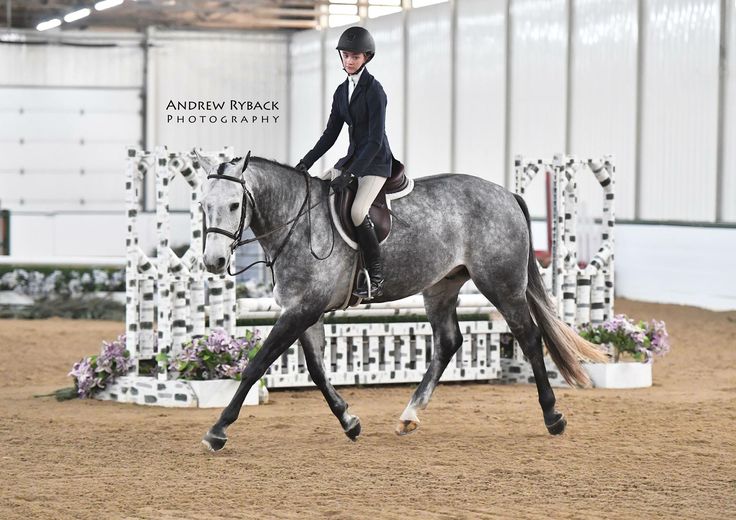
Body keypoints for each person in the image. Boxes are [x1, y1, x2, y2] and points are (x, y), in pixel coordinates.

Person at [295, 26, 394, 300]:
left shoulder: (375, 92)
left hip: (374, 163)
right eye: (346, 55)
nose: (349, 61)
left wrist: (351, 175)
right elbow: (330, 134)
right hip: (351, 159)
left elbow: (374, 142)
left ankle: (376, 275)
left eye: (355, 56)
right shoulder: (341, 92)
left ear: (366, 58)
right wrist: (306, 161)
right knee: (318, 192)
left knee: (358, 212)